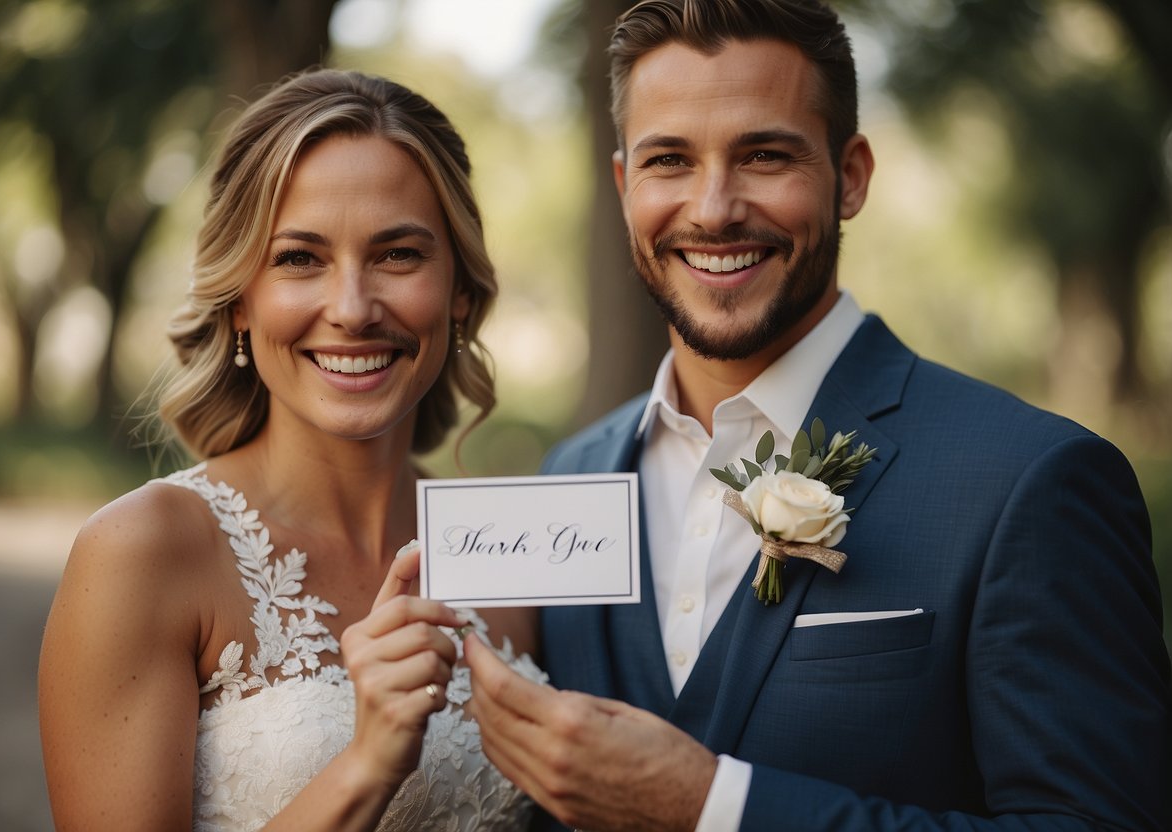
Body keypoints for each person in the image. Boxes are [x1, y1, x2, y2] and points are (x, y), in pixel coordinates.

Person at [462, 1, 1172, 829]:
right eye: (669, 161)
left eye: (764, 155)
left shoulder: (1030, 482)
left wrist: (714, 807)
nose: (713, 209)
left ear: (852, 175)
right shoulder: (570, 478)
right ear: (624, 186)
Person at [38, 68, 545, 831]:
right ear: (240, 296)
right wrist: (364, 767)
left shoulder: (512, 548)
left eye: (399, 254)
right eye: (300, 259)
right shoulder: (142, 551)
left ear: (460, 293)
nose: (351, 308)